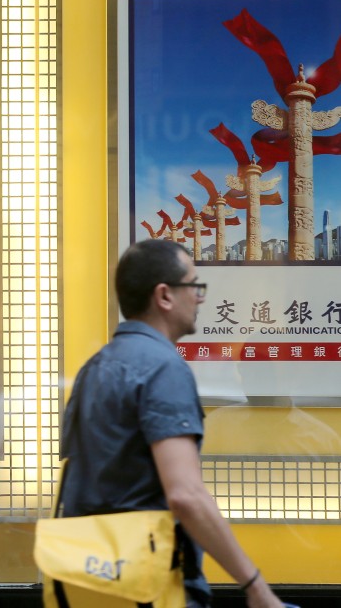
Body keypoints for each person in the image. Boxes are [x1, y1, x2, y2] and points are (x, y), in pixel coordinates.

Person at [60, 240, 285, 608]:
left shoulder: (94, 368)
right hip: (149, 582)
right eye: (194, 286)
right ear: (164, 295)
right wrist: (256, 588)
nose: (200, 297)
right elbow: (185, 495)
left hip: (91, 581)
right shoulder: (163, 369)